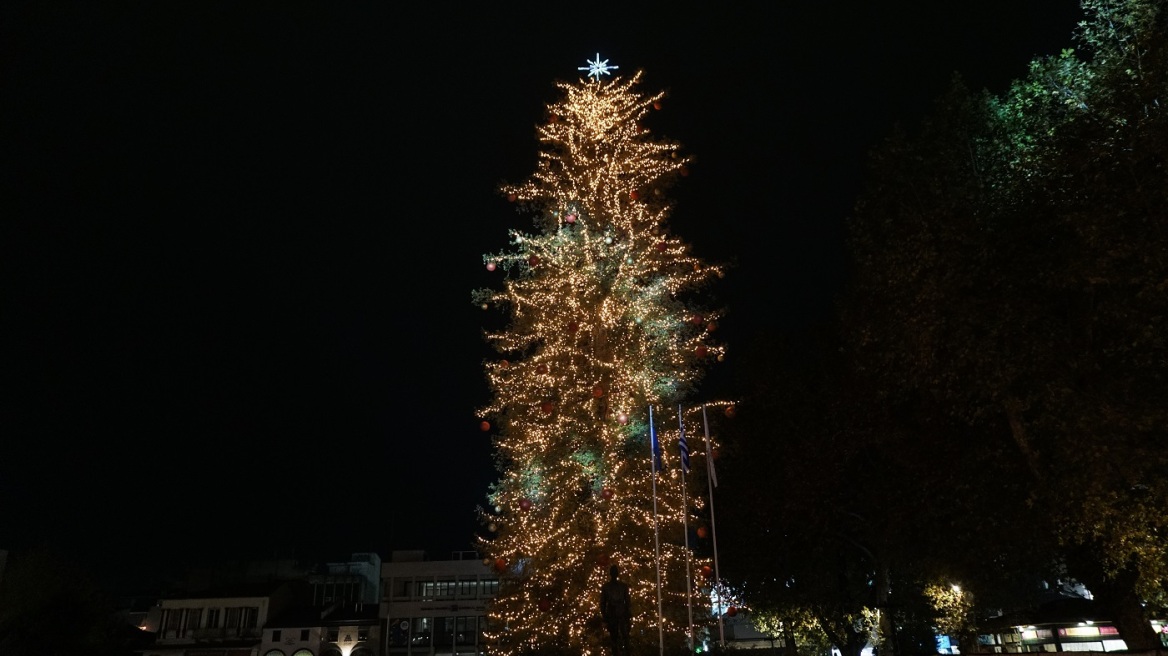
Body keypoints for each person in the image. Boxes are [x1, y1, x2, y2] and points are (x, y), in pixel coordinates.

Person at [600, 563, 631, 656]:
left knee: (622, 638)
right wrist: (604, 615)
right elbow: (603, 603)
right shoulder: (608, 587)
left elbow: (628, 601)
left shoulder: (622, 586)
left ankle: (623, 652)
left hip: (619, 614)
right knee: (616, 638)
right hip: (614, 613)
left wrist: (628, 614)